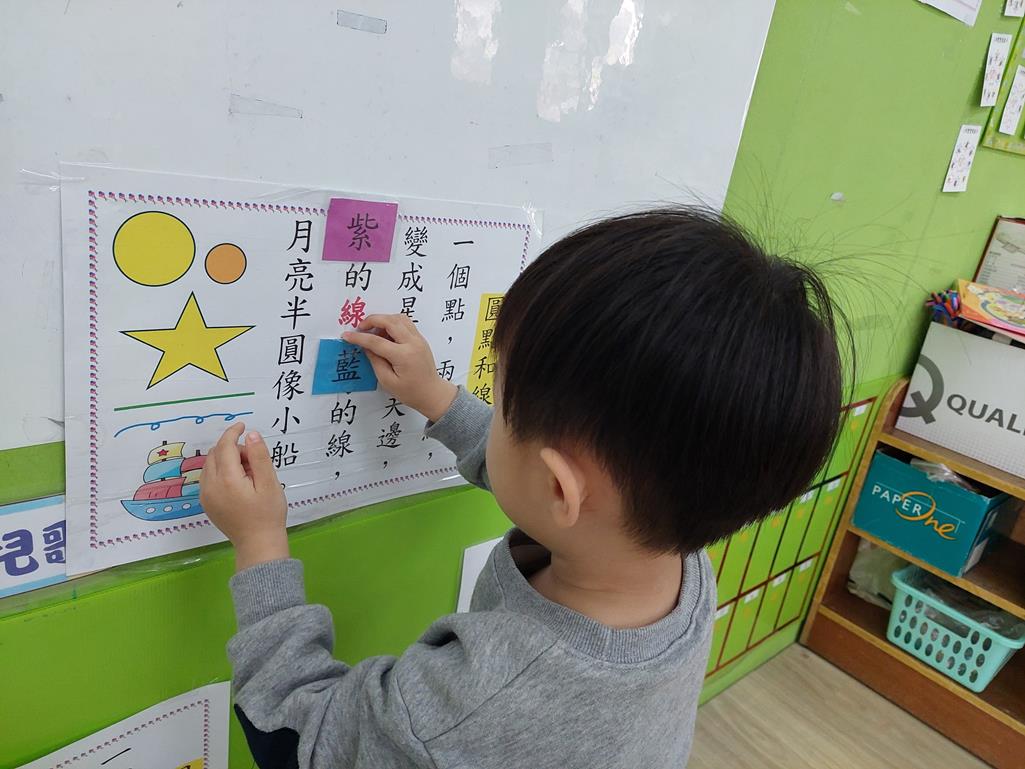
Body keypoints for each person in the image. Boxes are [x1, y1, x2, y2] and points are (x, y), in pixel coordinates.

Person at [200, 207, 846, 768]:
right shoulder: (676, 558)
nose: (496, 415)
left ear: (560, 488)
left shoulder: (477, 700)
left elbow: (294, 738)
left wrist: (260, 544)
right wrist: (438, 397)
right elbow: (548, 483)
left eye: (502, 404)